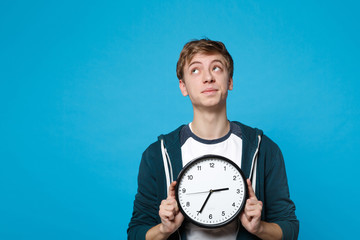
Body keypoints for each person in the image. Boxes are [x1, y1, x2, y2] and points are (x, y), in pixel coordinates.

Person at [128, 39, 299, 240]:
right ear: (183, 87)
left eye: (216, 68)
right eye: (195, 70)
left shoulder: (263, 149)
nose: (208, 77)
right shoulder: (158, 154)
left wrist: (258, 228)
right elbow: (135, 233)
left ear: (230, 81)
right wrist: (164, 229)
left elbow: (289, 229)